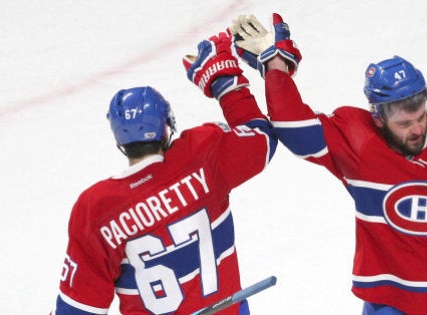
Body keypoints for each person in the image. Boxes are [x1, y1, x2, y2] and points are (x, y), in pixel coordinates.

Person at [229, 14, 427, 315]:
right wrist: (274, 65)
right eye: (404, 124)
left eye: (421, 117)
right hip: (391, 304)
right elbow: (292, 127)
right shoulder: (357, 139)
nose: (416, 129)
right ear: (378, 117)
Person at [51, 31, 276, 315]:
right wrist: (226, 85)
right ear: (166, 126)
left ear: (119, 140)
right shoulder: (203, 155)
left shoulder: (97, 208)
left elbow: (78, 309)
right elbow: (261, 139)